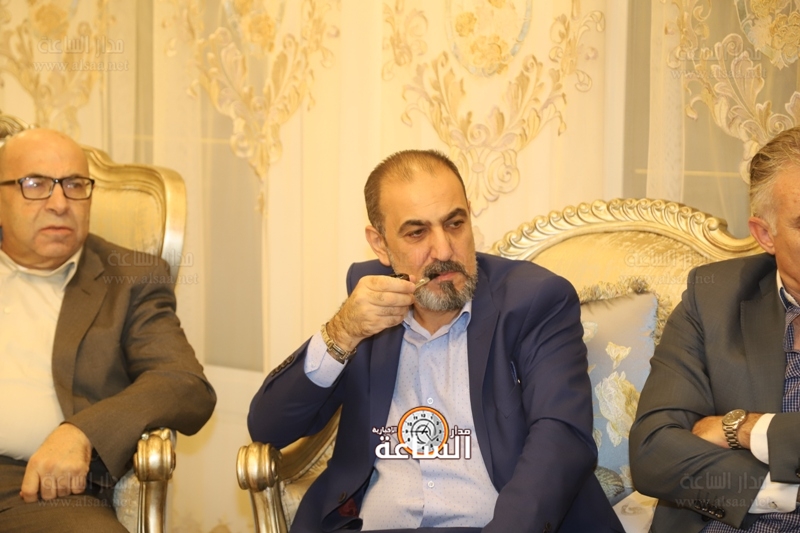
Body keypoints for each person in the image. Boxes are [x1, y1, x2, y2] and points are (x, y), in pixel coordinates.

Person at [248, 149, 622, 533]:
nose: (443, 250)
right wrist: (342, 332)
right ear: (380, 244)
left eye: (455, 224)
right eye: (417, 233)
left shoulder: (534, 300)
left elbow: (561, 437)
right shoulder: (370, 303)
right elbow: (269, 427)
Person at [0, 128, 216, 531]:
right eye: (35, 184)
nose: (59, 203)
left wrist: (82, 432)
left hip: (39, 491)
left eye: (75, 185)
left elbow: (184, 384)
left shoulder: (129, 279)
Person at [629, 128, 800, 532]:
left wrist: (746, 428)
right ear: (765, 234)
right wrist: (780, 492)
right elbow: (653, 450)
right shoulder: (713, 297)